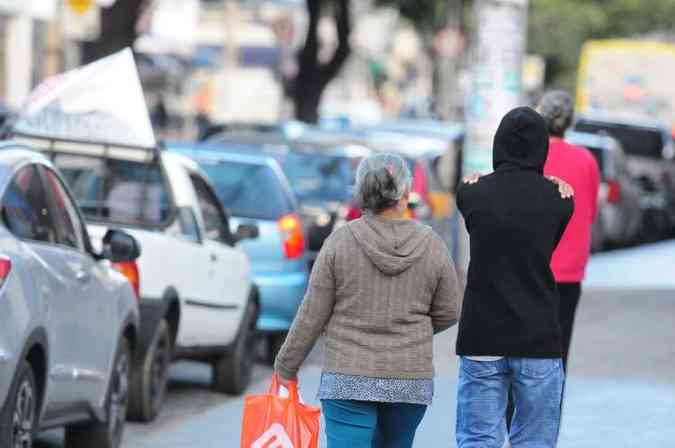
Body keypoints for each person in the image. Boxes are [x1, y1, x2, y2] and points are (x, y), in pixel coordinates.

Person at [274, 153, 462, 448]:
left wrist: (286, 366)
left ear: (361, 191)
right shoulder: (432, 245)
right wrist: (413, 331)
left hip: (347, 375)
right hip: (408, 379)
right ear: (404, 192)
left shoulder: (340, 242)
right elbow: (449, 311)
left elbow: (312, 313)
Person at [455, 107, 574, 448]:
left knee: (478, 438)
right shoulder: (560, 200)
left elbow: (468, 192)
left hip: (482, 336)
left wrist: (475, 181)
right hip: (538, 337)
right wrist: (551, 182)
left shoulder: (472, 193)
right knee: (534, 441)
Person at [539, 90, 600, 371]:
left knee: (524, 351)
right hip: (570, 269)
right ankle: (551, 414)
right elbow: (590, 213)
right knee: (558, 353)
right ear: (570, 121)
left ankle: (518, 413)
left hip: (533, 267)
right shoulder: (586, 160)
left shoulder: (533, 157)